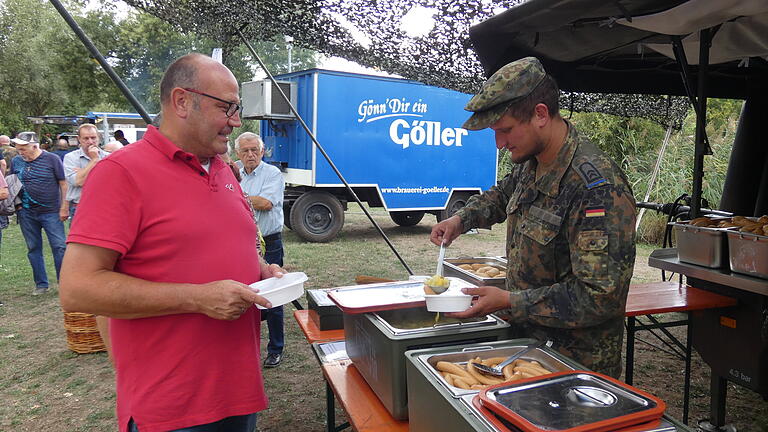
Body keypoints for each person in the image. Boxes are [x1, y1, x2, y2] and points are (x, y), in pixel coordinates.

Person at [59, 52, 283, 432]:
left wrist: (259, 270)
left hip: (237, 393)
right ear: (181, 101)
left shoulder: (223, 171)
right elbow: (78, 289)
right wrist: (197, 297)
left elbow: (210, 248)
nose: (236, 121)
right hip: (171, 409)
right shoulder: (120, 172)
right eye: (227, 107)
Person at [430, 57, 636, 378]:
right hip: (529, 349)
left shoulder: (596, 188)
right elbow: (502, 195)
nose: (499, 143)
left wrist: (512, 300)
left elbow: (600, 296)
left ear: (540, 114)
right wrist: (461, 220)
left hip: (576, 364)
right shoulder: (533, 163)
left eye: (505, 130)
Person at [236, 132, 286, 368]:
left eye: (255, 149)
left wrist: (236, 196)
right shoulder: (232, 170)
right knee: (245, 293)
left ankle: (275, 349)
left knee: (273, 296)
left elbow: (265, 203)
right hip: (241, 243)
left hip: (269, 240)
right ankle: (247, 350)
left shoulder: (272, 173)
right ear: (238, 153)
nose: (250, 154)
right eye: (245, 150)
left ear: (262, 151)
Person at [8, 137, 69, 296]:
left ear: (34, 146)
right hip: (26, 212)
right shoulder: (16, 161)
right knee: (33, 247)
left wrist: (64, 206)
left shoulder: (52, 159)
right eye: (18, 149)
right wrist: (18, 205)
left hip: (51, 211)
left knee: (59, 246)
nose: (20, 153)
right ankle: (41, 284)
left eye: (23, 149)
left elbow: (63, 183)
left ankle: (64, 283)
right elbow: (12, 182)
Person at [64, 124, 109, 221]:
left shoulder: (109, 157)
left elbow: (110, 182)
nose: (90, 142)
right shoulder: (70, 158)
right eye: (86, 138)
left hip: (104, 206)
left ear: (99, 137)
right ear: (79, 139)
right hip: (79, 207)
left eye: (93, 138)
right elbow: (78, 182)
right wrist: (94, 160)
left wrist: (82, 172)